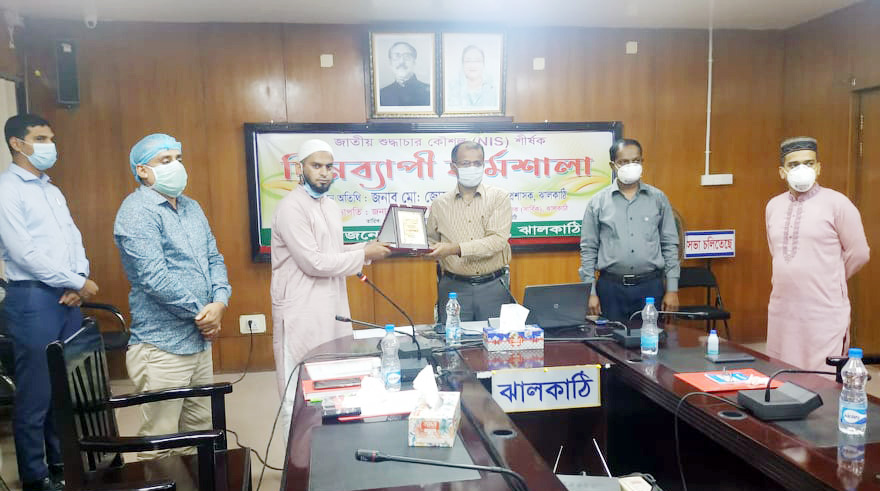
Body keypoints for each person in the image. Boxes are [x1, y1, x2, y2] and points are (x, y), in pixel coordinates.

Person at [114, 133, 230, 460]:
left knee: (199, 434)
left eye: (178, 159)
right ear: (142, 171)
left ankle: (195, 482)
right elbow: (154, 277)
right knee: (161, 443)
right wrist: (203, 314)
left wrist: (220, 302)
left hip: (198, 341)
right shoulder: (136, 211)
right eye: (165, 161)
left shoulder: (192, 207)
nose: (176, 166)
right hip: (161, 345)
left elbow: (214, 258)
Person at [0, 113, 99, 491]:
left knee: (65, 389)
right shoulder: (8, 189)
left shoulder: (51, 190)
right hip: (33, 298)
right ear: (17, 143)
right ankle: (35, 476)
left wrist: (79, 280)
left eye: (51, 138)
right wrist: (76, 281)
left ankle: (62, 463)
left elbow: (74, 240)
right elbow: (23, 252)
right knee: (36, 394)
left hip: (67, 297)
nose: (50, 146)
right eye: (41, 138)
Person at [271, 139, 391, 432]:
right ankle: (296, 458)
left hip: (332, 305)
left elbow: (333, 251)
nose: (324, 173)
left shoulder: (331, 206)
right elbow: (314, 262)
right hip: (301, 309)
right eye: (316, 166)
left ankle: (328, 450)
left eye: (329, 166)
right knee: (299, 389)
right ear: (300, 169)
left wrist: (366, 247)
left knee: (334, 381)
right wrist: (364, 254)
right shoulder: (291, 208)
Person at [765, 137, 869, 371]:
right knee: (781, 375)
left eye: (809, 163)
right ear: (782, 172)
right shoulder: (773, 206)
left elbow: (860, 253)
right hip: (782, 310)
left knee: (822, 379)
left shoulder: (838, 204)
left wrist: (831, 277)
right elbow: (776, 253)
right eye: (794, 165)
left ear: (819, 168)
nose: (802, 169)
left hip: (824, 311)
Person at [579, 138, 680, 323]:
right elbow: (588, 249)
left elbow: (670, 245)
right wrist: (590, 292)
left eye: (636, 161)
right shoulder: (598, 202)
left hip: (650, 287)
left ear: (642, 162)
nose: (631, 166)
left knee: (651, 338)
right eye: (624, 162)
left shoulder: (658, 199)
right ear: (613, 165)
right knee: (608, 339)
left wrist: (672, 289)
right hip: (610, 289)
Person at [427, 141, 512, 323]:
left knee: (495, 338)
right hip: (453, 289)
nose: (472, 168)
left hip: (493, 286)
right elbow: (430, 241)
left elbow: (497, 241)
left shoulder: (499, 197)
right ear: (453, 167)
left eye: (477, 163)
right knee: (453, 339)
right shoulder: (439, 204)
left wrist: (455, 248)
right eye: (466, 163)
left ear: (484, 165)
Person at [379, 41, 431, 106]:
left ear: (414, 62)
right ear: (390, 63)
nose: (401, 61)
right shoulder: (382, 94)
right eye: (397, 56)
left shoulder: (429, 92)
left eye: (407, 56)